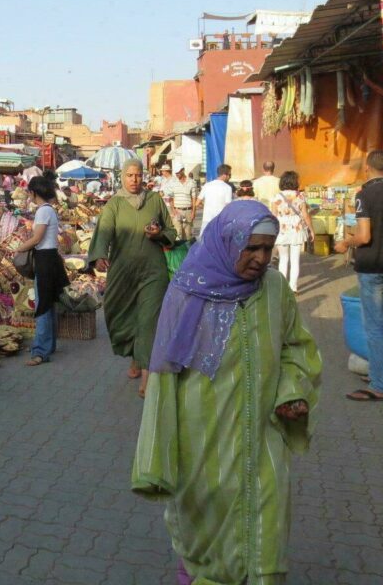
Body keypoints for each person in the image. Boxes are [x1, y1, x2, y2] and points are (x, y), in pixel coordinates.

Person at [132, 201, 322, 585]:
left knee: (265, 531)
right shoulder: (188, 293)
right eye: (250, 247)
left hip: (263, 441)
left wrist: (291, 392)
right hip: (203, 446)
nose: (260, 258)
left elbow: (295, 347)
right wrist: (158, 458)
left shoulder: (274, 289)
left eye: (267, 249)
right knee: (205, 538)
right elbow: (165, 378)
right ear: (226, 241)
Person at [87, 158, 177, 397]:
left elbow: (171, 231)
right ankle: (136, 356)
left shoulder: (155, 200)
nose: (134, 180)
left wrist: (159, 235)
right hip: (123, 271)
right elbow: (104, 231)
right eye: (130, 176)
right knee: (117, 314)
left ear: (143, 176)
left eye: (138, 175)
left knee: (149, 320)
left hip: (153, 271)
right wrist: (98, 256)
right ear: (123, 177)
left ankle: (147, 375)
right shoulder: (114, 204)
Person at [336, 150, 383, 402]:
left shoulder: (364, 195)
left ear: (368, 167)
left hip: (370, 267)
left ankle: (379, 385)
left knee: (375, 327)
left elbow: (364, 236)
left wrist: (347, 242)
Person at [12, 171, 69, 366]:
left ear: (35, 193)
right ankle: (48, 345)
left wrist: (19, 248)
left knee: (42, 305)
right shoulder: (50, 209)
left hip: (45, 259)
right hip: (50, 258)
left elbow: (37, 238)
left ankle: (40, 351)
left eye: (29, 193)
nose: (28, 196)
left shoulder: (43, 211)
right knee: (49, 304)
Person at [271, 171, 314, 294]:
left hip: (282, 229)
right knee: (295, 260)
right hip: (297, 229)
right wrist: (311, 230)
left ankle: (282, 288)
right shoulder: (300, 196)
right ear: (295, 182)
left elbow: (273, 216)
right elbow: (305, 215)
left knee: (283, 259)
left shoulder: (276, 197)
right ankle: (293, 288)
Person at [164, 163, 197, 241]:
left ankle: (188, 252)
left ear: (183, 170)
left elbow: (194, 198)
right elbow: (171, 197)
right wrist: (173, 210)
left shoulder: (192, 182)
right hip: (177, 211)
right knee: (178, 234)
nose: (177, 174)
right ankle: (179, 252)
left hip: (188, 211)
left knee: (187, 234)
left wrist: (193, 212)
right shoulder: (173, 183)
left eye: (178, 172)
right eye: (176, 173)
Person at [196, 163, 233, 235]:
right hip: (219, 222)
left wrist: (206, 207)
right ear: (225, 175)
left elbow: (197, 203)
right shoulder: (227, 188)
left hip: (206, 221)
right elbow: (228, 207)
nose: (230, 177)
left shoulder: (207, 185)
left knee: (205, 243)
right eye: (230, 175)